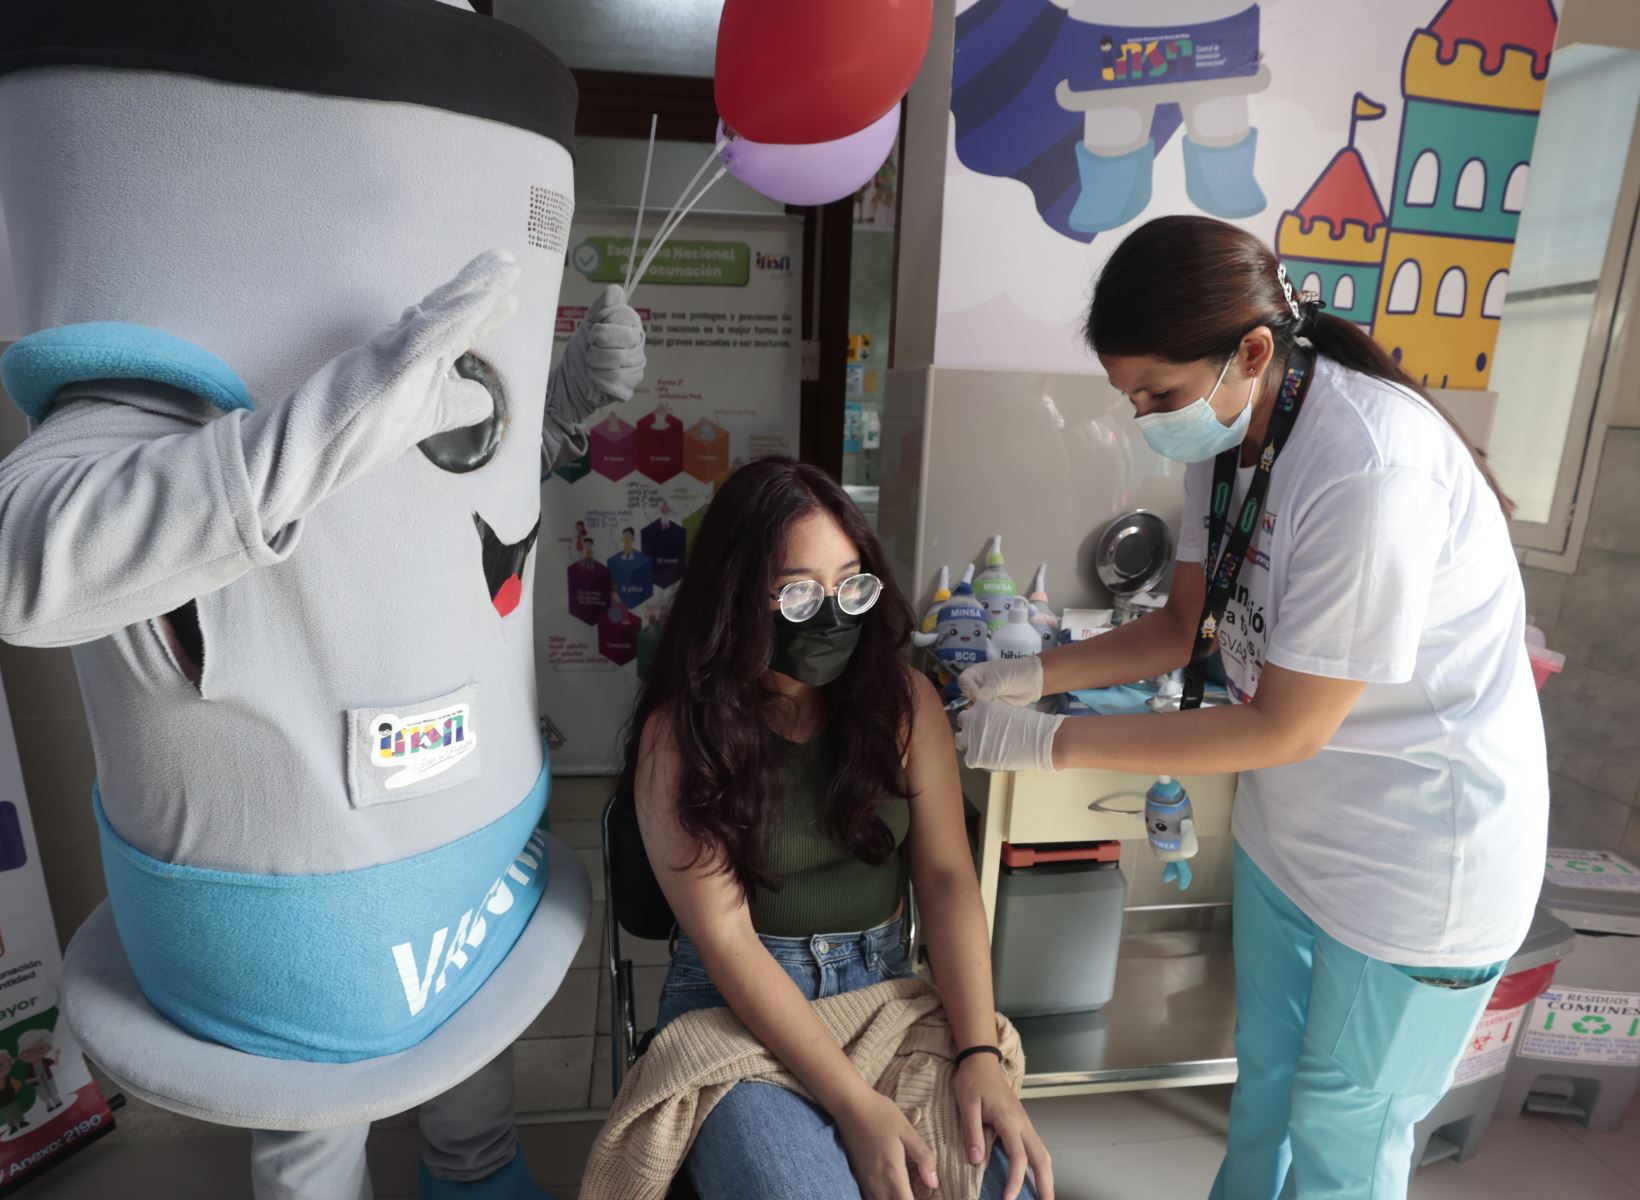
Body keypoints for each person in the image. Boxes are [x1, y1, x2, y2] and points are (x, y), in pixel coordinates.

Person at [956, 215, 1547, 1200]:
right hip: (1294, 839)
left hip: (1416, 863)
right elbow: (1181, 625)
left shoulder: (1370, 465)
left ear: (1255, 352)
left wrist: (1050, 743)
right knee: (1264, 1090)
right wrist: (1030, 675)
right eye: (1131, 396)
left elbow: (1287, 725)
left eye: (1158, 394)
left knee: (1341, 1139)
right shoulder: (1227, 436)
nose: (1146, 417)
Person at [621, 457, 1052, 1200]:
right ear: (736, 597)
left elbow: (947, 878)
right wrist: (855, 1106)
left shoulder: (902, 703)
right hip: (738, 1012)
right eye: (797, 592)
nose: (832, 616)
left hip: (884, 988)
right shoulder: (681, 736)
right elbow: (728, 940)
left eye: (850, 585)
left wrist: (978, 1052)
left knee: (993, 1182)